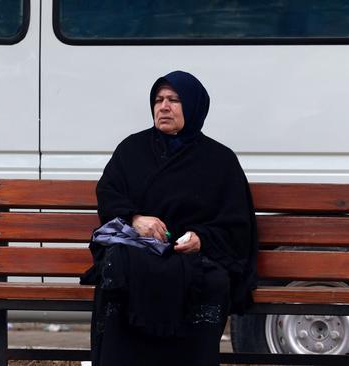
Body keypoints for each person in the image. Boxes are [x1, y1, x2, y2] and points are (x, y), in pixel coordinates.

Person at [81, 70, 258, 366]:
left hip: (193, 256)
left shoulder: (220, 160)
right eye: (159, 99)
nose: (163, 106)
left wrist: (201, 238)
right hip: (138, 250)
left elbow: (236, 223)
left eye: (174, 100)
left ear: (194, 106)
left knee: (213, 281)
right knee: (118, 269)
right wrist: (135, 218)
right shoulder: (131, 149)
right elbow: (109, 194)